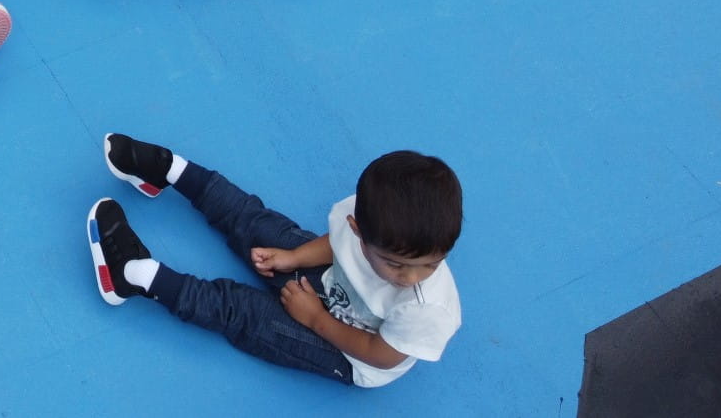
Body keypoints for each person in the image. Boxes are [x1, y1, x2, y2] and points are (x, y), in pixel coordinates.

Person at [85, 140, 463, 389]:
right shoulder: (369, 221)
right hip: (330, 282)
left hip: (348, 350)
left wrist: (316, 319)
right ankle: (171, 170)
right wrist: (294, 257)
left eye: (431, 264)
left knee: (244, 314)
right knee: (259, 228)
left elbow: (380, 355)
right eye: (396, 265)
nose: (411, 277)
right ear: (358, 228)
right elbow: (339, 245)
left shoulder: (426, 310)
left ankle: (132, 276)